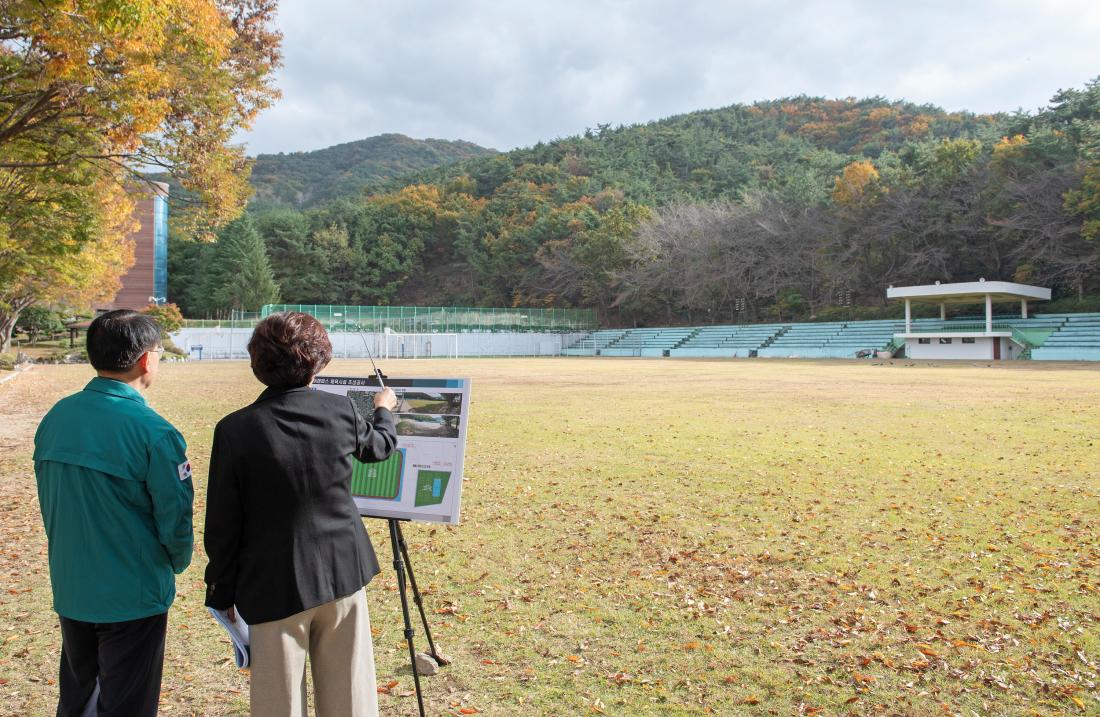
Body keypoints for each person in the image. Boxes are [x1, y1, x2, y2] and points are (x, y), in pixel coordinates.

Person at [203, 311, 398, 717]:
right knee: (350, 697)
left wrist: (221, 591)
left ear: (258, 363)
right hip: (342, 572)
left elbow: (223, 523)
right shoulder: (340, 411)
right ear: (318, 360)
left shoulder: (235, 429)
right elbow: (379, 447)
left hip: (271, 583)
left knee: (280, 702)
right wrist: (384, 409)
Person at [34, 309, 194, 717]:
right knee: (127, 703)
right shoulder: (154, 432)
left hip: (73, 585)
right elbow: (175, 518)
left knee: (79, 697)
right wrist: (176, 562)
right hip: (132, 593)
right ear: (146, 359)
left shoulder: (56, 419)